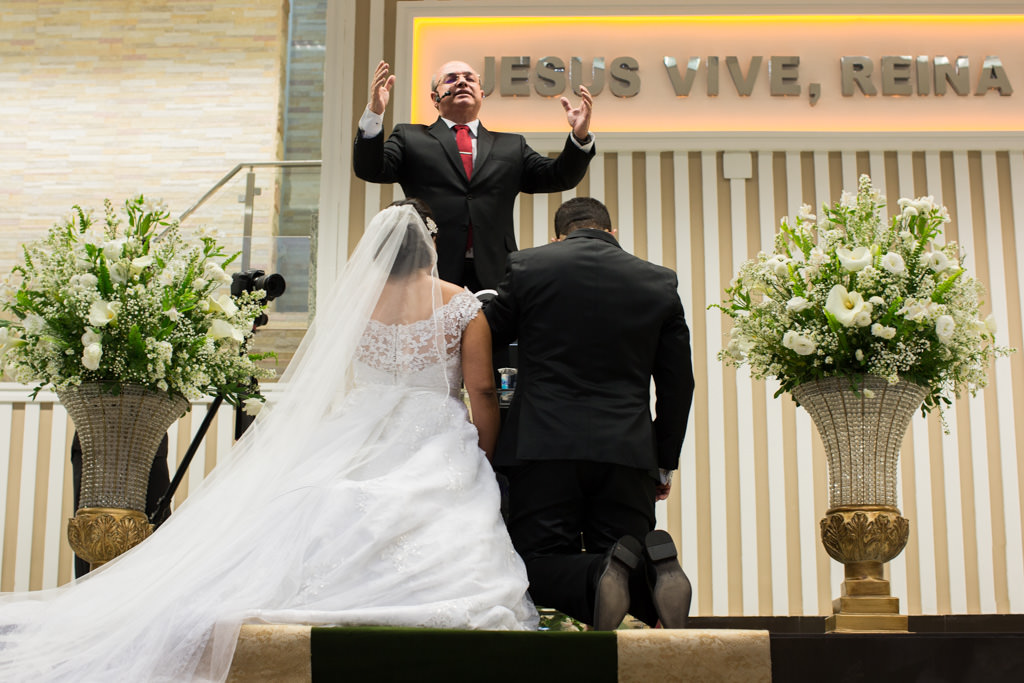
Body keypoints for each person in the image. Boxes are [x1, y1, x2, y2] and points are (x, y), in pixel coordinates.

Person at [0, 204, 535, 682]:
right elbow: (481, 389)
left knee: (324, 496)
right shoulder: (461, 304)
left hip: (360, 423)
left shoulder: (357, 306)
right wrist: (483, 454)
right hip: (430, 426)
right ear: (431, 246)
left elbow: (341, 375)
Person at [485, 197, 696, 630]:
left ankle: (608, 573)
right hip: (627, 450)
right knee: (626, 554)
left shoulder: (528, 268)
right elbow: (678, 384)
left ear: (557, 238)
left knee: (533, 563)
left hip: (543, 446)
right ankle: (650, 580)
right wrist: (663, 462)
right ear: (612, 233)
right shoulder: (658, 281)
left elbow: (485, 335)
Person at [353, 59, 596, 291]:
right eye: (451, 79)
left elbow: (559, 177)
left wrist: (580, 138)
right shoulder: (410, 137)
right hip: (431, 268)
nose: (461, 82)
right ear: (434, 98)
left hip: (496, 271)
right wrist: (374, 115)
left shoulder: (511, 145)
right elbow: (370, 169)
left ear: (481, 93)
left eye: (469, 78)